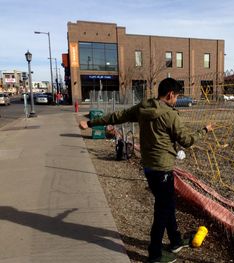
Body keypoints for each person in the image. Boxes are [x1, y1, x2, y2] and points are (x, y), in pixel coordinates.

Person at [79, 77, 213, 263]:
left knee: (167, 205)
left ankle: (175, 241)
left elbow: (118, 116)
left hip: (149, 167)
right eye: (177, 97)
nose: (176, 100)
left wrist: (92, 123)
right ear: (170, 94)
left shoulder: (143, 108)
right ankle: (155, 254)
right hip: (163, 169)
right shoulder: (170, 115)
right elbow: (187, 141)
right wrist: (204, 130)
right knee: (162, 211)